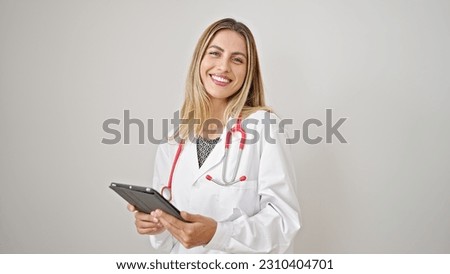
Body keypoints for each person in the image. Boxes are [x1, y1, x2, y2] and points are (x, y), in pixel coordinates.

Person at [127, 18, 301, 253]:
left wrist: (218, 234)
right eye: (215, 54)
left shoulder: (263, 127)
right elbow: (168, 243)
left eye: (237, 59)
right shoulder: (174, 141)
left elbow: (284, 224)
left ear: (248, 72)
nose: (223, 67)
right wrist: (157, 224)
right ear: (200, 60)